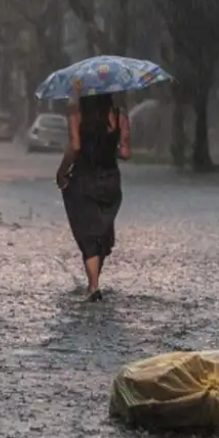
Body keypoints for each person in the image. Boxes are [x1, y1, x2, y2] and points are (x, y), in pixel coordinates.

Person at [55, 80, 130, 302]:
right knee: (101, 232)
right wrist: (109, 146)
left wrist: (61, 172)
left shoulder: (76, 114)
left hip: (84, 179)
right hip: (110, 181)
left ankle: (93, 286)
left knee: (87, 233)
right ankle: (95, 282)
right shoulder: (119, 116)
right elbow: (126, 153)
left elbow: (75, 147)